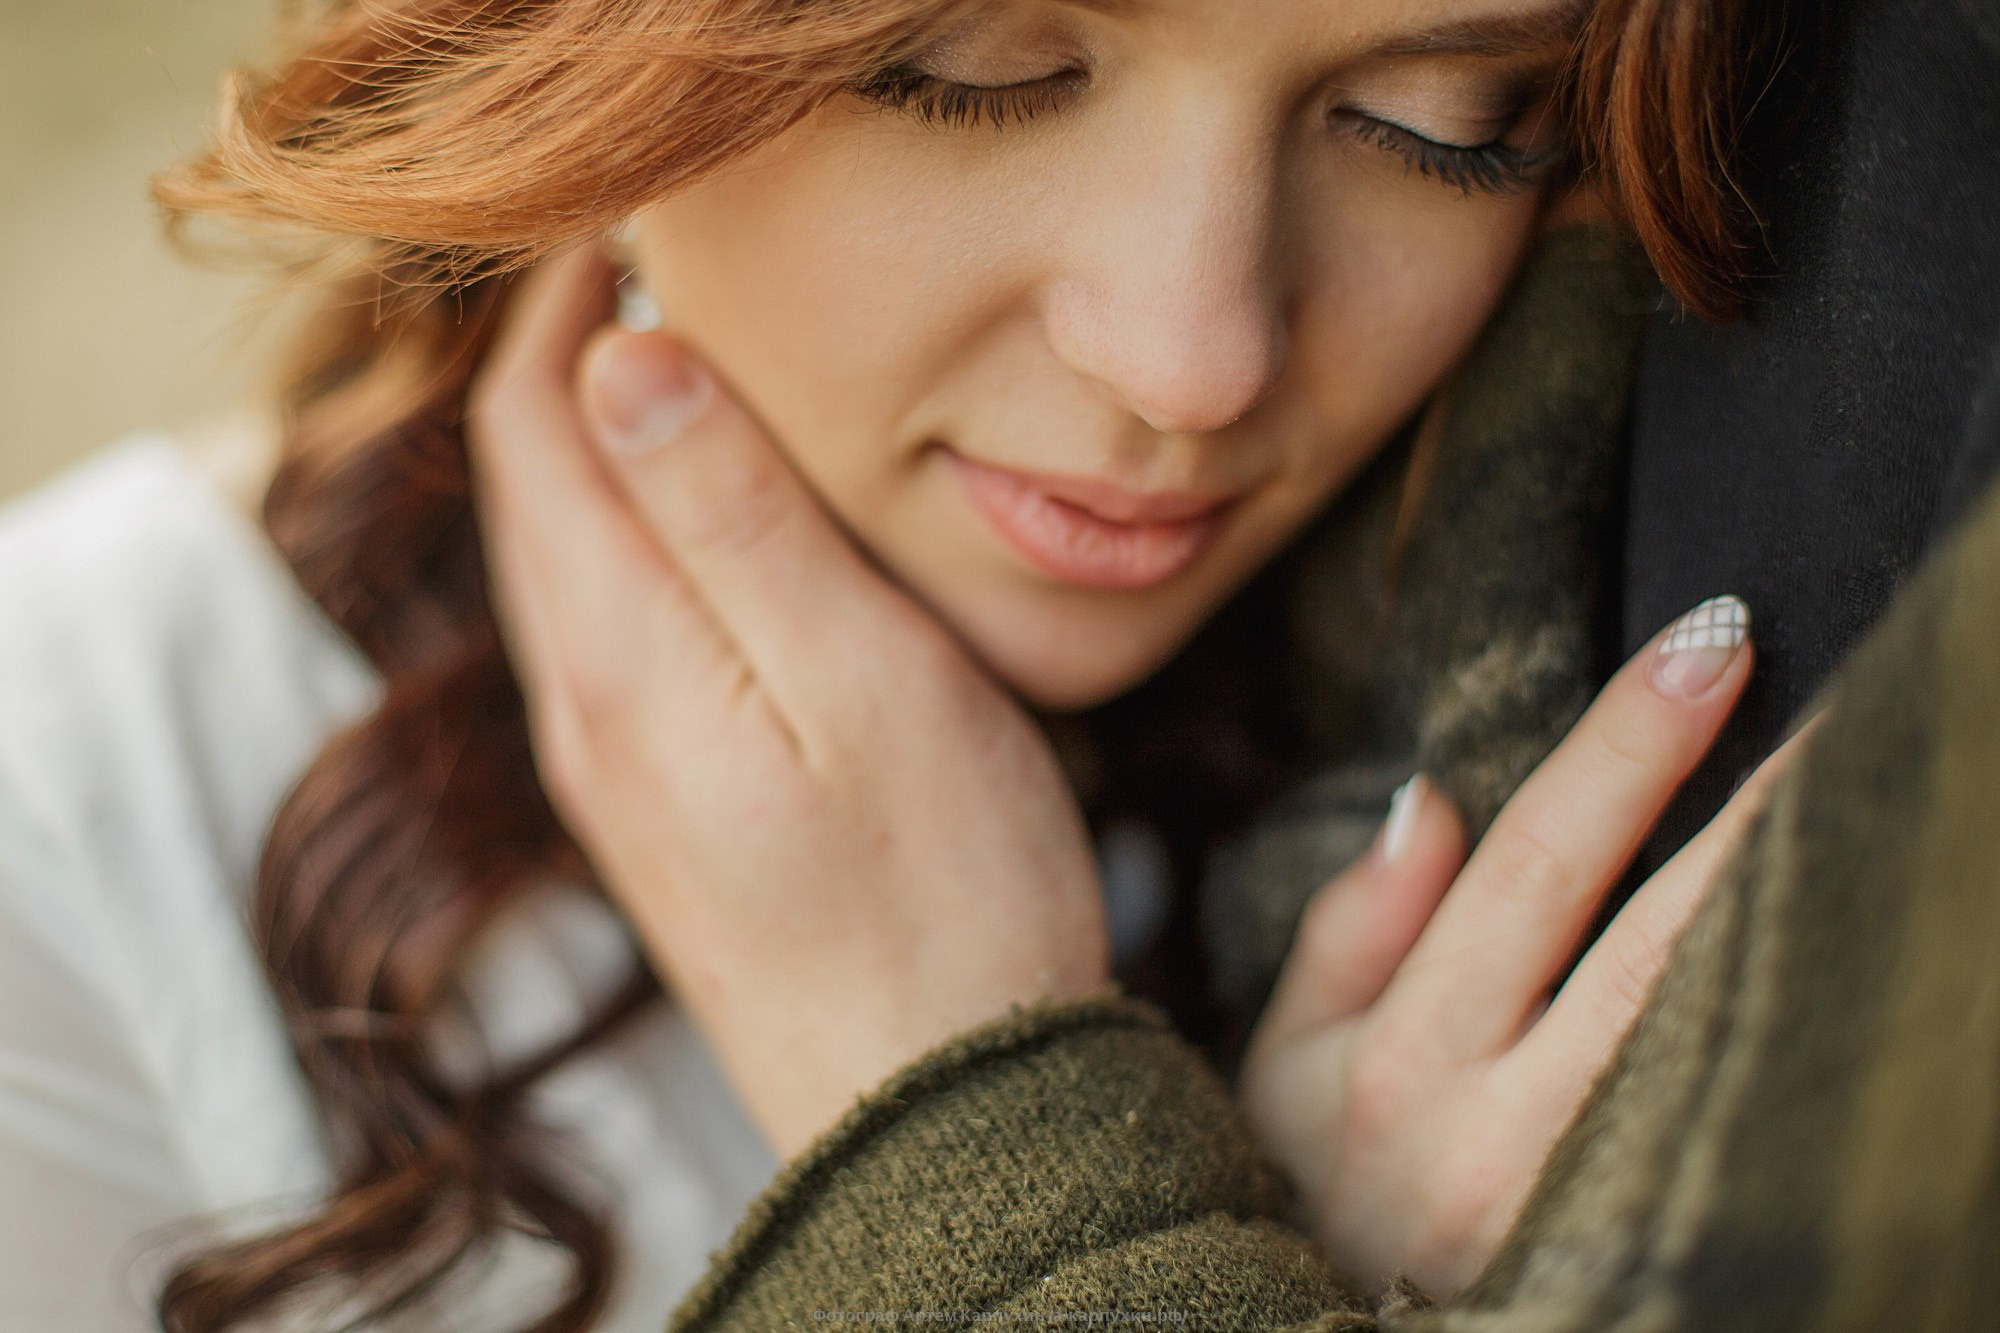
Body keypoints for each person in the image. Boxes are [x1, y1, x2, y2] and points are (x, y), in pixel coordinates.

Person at [0, 1, 1822, 1331]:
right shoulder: (68, 817)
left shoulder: (1459, 674)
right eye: (978, 75)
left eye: (1447, 120)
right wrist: (1027, 1194)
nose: (1196, 354)